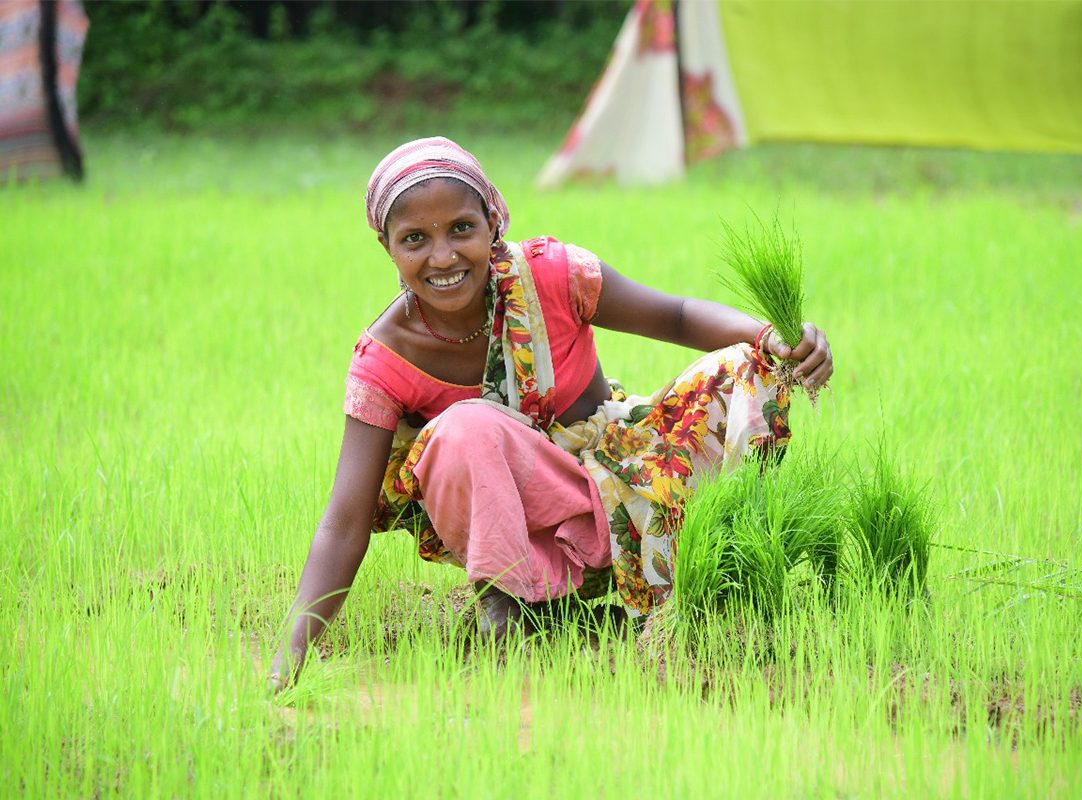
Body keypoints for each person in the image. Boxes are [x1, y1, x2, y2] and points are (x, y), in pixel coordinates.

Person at [268, 137, 832, 689]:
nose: (442, 256)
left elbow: (678, 317)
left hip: (631, 488)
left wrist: (774, 339)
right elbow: (344, 523)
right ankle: (510, 609)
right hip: (522, 524)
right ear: (387, 247)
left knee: (745, 364)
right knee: (465, 427)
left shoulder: (554, 275)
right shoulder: (384, 360)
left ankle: (722, 575)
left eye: (461, 228)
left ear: (493, 223)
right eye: (415, 238)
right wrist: (292, 650)